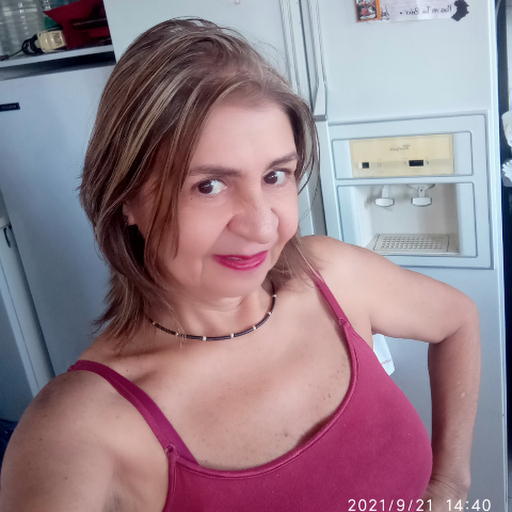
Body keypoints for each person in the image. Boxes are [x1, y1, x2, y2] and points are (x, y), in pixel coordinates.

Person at [0, 18, 480, 512]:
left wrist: (449, 485)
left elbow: (458, 319)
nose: (262, 226)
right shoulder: (83, 428)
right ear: (125, 198)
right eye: (208, 186)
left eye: (276, 175)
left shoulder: (332, 278)